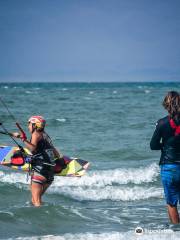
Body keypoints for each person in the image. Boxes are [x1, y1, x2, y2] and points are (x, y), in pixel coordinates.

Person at [13, 116, 62, 207]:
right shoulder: (45, 136)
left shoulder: (35, 134)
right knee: (35, 199)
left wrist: (21, 138)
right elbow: (56, 154)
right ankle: (37, 218)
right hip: (50, 173)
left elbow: (33, 149)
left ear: (35, 125)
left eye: (29, 124)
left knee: (36, 201)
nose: (28, 126)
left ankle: (43, 219)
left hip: (40, 171)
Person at [150, 91, 180, 224]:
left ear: (166, 105)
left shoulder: (162, 123)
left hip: (170, 167)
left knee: (172, 203)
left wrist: (165, 145)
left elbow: (153, 145)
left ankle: (176, 233)